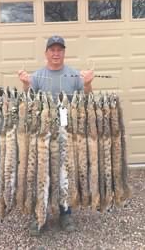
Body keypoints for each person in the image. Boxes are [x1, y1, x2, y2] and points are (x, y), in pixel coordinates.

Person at [18, 35, 94, 236]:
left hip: (65, 131)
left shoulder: (74, 75)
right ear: (46, 53)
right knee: (40, 174)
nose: (56, 53)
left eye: (59, 50)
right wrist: (26, 85)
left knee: (64, 173)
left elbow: (88, 100)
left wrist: (87, 84)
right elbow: (28, 101)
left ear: (64, 52)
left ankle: (65, 213)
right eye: (52, 50)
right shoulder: (37, 76)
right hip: (42, 132)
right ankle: (39, 216)